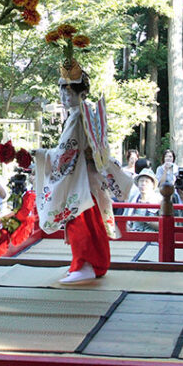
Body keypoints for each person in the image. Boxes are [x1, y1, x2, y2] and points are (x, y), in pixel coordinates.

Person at [34, 55, 130, 284]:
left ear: (82, 94)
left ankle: (86, 263)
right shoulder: (86, 113)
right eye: (62, 92)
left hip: (80, 179)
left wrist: (39, 154)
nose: (64, 97)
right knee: (90, 219)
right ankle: (92, 263)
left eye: (69, 93)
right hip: (87, 176)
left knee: (81, 220)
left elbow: (66, 151)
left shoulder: (77, 117)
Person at [127, 167, 176, 232]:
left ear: (153, 185)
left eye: (147, 181)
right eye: (141, 181)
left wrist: (144, 219)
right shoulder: (133, 199)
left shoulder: (159, 200)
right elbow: (125, 219)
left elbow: (165, 226)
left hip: (152, 235)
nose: (143, 184)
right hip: (134, 234)